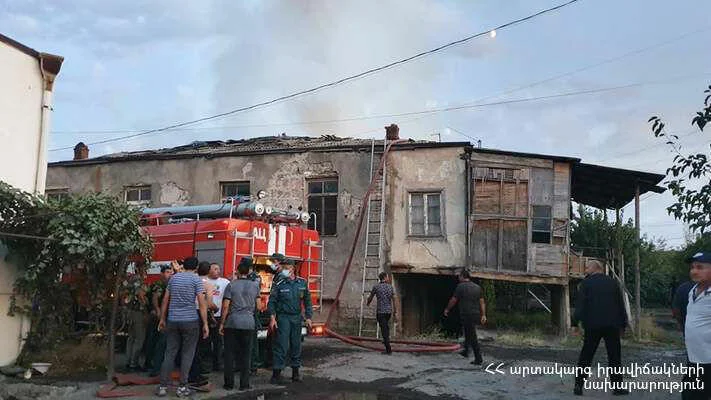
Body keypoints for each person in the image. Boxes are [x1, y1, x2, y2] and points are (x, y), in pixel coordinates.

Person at [571, 260, 629, 396]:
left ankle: (578, 386)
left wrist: (575, 323)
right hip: (612, 325)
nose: (585, 269)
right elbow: (620, 304)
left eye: (587, 267)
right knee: (614, 356)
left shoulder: (586, 283)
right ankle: (618, 387)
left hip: (592, 325)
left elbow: (580, 305)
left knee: (586, 355)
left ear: (595, 268)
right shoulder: (613, 283)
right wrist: (623, 324)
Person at [156, 257, 209, 398]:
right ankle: (182, 387)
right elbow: (202, 302)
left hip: (173, 320)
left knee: (170, 353)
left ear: (184, 265)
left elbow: (165, 299)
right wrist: (205, 323)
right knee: (187, 354)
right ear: (196, 267)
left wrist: (162, 318)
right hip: (190, 321)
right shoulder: (196, 280)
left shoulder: (174, 279)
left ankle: (162, 386)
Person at [268, 258, 313, 384]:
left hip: (296, 318)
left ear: (292, 269)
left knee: (296, 345)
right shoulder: (279, 284)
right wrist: (272, 318)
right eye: (283, 268)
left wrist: (308, 317)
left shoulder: (302, 283)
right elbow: (271, 303)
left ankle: (295, 373)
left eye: (286, 268)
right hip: (283, 318)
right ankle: (276, 374)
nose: (283, 270)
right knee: (281, 345)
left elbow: (308, 302)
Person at [220, 257, 260, 391]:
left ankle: (228, 384)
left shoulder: (231, 285)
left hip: (232, 322)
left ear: (237, 271)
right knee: (246, 354)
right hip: (248, 323)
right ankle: (244, 384)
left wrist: (222, 323)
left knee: (229, 354)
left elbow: (225, 306)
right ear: (249, 271)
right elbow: (259, 306)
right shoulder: (255, 285)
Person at [681, 251, 711, 400]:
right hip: (694, 358)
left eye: (700, 267)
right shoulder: (693, 290)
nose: (694, 271)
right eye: (692, 267)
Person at [443, 270, 486, 366]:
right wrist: (483, 315)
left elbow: (453, 300)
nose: (458, 278)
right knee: (467, 331)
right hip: (475, 314)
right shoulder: (477, 287)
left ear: (462, 276)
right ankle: (466, 351)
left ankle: (478, 359)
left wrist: (447, 309)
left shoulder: (460, 286)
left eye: (459, 276)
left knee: (472, 335)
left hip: (467, 314)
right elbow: (482, 302)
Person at [189, 262, 218, 384]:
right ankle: (197, 374)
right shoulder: (208, 284)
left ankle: (188, 371)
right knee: (201, 346)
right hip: (202, 315)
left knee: (190, 345)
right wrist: (216, 309)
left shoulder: (192, 281)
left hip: (189, 314)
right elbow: (209, 303)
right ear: (208, 272)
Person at [146, 264, 174, 376]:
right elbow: (155, 299)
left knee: (159, 341)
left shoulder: (169, 284)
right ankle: (153, 366)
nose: (170, 274)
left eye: (171, 272)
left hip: (165, 315)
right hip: (159, 316)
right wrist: (159, 313)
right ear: (162, 273)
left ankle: (154, 364)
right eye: (167, 272)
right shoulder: (160, 284)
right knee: (158, 341)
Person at [207, 263, 230, 371]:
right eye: (215, 269)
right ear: (209, 270)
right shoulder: (204, 281)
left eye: (219, 269)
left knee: (218, 341)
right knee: (205, 340)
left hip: (219, 315)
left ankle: (218, 364)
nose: (218, 271)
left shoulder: (225, 282)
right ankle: (206, 364)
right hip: (206, 315)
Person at [367, 272, 396, 354]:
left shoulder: (376, 287)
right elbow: (394, 299)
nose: (388, 278)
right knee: (386, 327)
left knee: (384, 330)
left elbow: (371, 297)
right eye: (387, 277)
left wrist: (368, 303)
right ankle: (386, 340)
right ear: (385, 278)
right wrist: (395, 312)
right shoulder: (390, 287)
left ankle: (388, 349)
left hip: (380, 312)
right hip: (388, 312)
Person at [124, 271, 148, 371]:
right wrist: (145, 309)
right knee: (139, 338)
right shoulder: (139, 282)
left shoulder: (130, 281)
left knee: (131, 338)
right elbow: (141, 296)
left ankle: (128, 361)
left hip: (130, 312)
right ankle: (134, 363)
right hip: (138, 313)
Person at [246, 259, 263, 374]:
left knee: (252, 341)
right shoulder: (253, 277)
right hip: (249, 311)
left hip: (252, 312)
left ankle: (253, 366)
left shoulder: (254, 278)